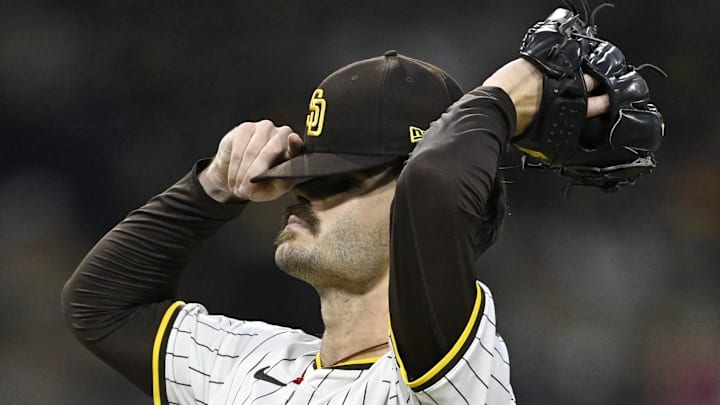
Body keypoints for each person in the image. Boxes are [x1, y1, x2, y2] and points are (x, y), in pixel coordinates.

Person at [62, 48, 609, 404]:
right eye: (309, 174)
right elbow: (102, 308)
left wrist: (507, 94)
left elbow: (435, 190)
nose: (304, 193)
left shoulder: (455, 379)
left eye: (339, 180)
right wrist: (215, 187)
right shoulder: (253, 365)